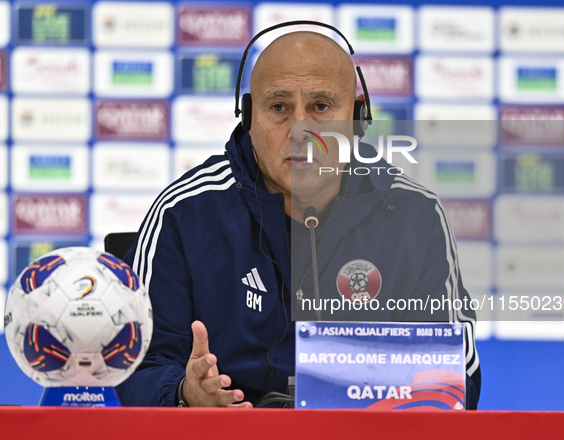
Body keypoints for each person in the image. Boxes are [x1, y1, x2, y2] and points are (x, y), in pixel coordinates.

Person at [116, 30, 481, 409]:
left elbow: (457, 376)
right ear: (249, 115)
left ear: (357, 117)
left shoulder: (415, 216)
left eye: (321, 107)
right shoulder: (184, 212)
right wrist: (185, 394)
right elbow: (135, 365)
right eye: (278, 107)